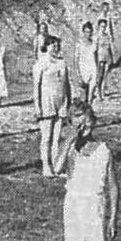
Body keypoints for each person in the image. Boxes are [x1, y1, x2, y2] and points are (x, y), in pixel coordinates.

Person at [53, 100, 120, 241]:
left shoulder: (103, 150)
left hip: (96, 207)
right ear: (71, 124)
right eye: (76, 120)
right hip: (74, 206)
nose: (83, 124)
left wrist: (113, 217)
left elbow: (112, 186)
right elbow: (56, 168)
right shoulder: (69, 147)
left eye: (86, 118)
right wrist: (69, 142)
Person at [33, 36, 72, 177]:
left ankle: (57, 167)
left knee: (57, 137)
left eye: (57, 46)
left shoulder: (62, 63)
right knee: (46, 137)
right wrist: (37, 106)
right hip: (46, 102)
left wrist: (68, 103)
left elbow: (67, 85)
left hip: (60, 102)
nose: (55, 48)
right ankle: (46, 166)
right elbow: (36, 87)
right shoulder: (40, 63)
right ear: (46, 46)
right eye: (52, 46)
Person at [76, 22, 99, 105]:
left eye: (90, 32)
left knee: (92, 88)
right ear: (83, 32)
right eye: (86, 32)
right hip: (83, 67)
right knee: (84, 89)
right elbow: (76, 59)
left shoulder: (94, 43)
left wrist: (97, 69)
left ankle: (89, 105)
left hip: (92, 67)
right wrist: (78, 72)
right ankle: (84, 106)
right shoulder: (79, 44)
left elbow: (96, 57)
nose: (88, 34)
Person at [94, 17, 114, 100]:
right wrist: (95, 60)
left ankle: (102, 92)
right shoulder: (96, 37)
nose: (103, 28)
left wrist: (111, 58)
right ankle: (97, 93)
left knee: (105, 76)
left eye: (105, 26)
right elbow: (95, 50)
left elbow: (109, 48)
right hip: (99, 58)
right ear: (98, 26)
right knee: (99, 76)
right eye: (102, 26)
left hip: (106, 56)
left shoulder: (107, 36)